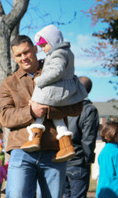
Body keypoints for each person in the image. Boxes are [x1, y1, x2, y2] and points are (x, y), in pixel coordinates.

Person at [0, 34, 82, 198]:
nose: (24, 57)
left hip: (55, 150)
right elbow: (5, 116)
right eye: (18, 55)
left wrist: (48, 110)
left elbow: (76, 106)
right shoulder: (10, 82)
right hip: (21, 149)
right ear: (14, 57)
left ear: (35, 49)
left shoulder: (58, 69)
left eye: (27, 52)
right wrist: (31, 111)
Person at [21, 25, 87, 163]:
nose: (43, 49)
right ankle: (66, 144)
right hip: (62, 89)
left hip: (57, 89)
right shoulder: (65, 52)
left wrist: (40, 80)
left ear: (52, 41)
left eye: (44, 45)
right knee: (56, 116)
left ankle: (35, 137)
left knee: (37, 104)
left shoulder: (59, 53)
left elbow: (56, 71)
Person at [60, 76, 99, 198]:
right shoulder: (88, 109)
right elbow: (88, 139)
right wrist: (88, 159)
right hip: (78, 161)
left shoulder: (63, 107)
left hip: (62, 160)